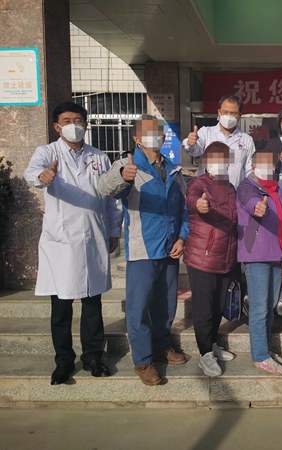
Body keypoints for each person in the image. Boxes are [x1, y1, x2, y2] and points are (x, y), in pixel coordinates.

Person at [24, 102, 122, 385]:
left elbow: (111, 198)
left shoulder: (99, 157)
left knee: (92, 304)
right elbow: (32, 173)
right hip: (62, 241)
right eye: (67, 121)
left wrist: (113, 230)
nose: (73, 125)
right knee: (61, 307)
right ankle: (63, 361)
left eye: (78, 120)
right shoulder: (48, 152)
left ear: (86, 125)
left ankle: (93, 358)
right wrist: (42, 176)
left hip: (93, 236)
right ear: (57, 126)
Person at [99, 114, 189, 386]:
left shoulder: (172, 168)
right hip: (143, 248)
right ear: (137, 138)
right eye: (149, 132)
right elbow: (104, 187)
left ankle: (162, 347)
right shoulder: (129, 166)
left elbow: (183, 208)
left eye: (159, 131)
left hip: (169, 248)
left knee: (166, 304)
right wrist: (122, 177)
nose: (156, 136)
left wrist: (182, 237)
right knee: (138, 308)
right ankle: (142, 360)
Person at [184, 142, 237, 377]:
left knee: (217, 305)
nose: (219, 163)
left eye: (223, 159)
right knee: (204, 308)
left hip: (226, 257)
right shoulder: (199, 184)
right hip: (203, 257)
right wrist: (198, 205)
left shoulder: (230, 187)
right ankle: (205, 355)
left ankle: (213, 344)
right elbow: (192, 200)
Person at [237, 149, 282, 375]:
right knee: (259, 308)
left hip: (275, 253)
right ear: (253, 166)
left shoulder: (277, 189)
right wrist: (257, 207)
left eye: (271, 163)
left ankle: (264, 348)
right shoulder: (247, 186)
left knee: (270, 306)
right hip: (256, 254)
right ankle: (259, 356)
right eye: (263, 163)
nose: (268, 167)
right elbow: (252, 203)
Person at [182, 94, 255, 188]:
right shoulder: (206, 132)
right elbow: (194, 151)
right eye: (225, 112)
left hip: (234, 193)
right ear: (219, 112)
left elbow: (249, 171)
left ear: (240, 115)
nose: (228, 116)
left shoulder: (246, 140)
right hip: (207, 193)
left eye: (233, 113)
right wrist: (190, 143)